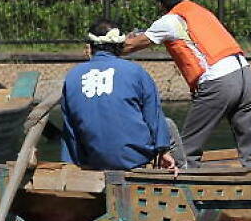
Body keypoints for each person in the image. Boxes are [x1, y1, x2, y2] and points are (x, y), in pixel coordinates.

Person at [123, 0, 251, 168]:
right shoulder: (202, 12)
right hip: (247, 77)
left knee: (187, 150)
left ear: (160, 3)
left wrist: (103, 47)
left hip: (219, 81)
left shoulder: (170, 20)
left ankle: (187, 190)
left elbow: (130, 46)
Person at [60, 18, 177, 171]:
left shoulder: (72, 77)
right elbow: (154, 119)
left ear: (90, 47)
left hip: (94, 161)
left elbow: (70, 132)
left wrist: (72, 165)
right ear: (121, 46)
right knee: (168, 125)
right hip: (136, 161)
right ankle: (182, 171)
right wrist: (163, 150)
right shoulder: (136, 72)